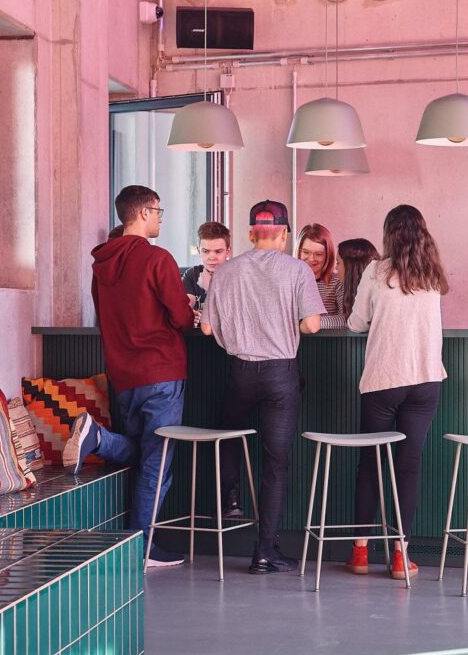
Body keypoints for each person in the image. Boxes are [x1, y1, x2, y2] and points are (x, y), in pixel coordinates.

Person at [65, 185, 193, 569]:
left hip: (124, 374)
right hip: (161, 371)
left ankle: (98, 438)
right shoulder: (158, 258)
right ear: (142, 213)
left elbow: (104, 315)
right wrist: (188, 309)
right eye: (158, 212)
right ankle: (142, 548)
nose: (160, 218)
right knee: (159, 459)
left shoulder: (101, 265)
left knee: (145, 451)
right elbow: (182, 319)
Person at [202, 200, 325, 574]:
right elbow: (313, 326)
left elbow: (207, 328)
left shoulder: (226, 271)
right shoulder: (297, 269)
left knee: (228, 438)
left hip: (240, 371)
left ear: (251, 233)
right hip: (279, 375)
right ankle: (264, 551)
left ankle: (231, 499)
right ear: (285, 234)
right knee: (275, 463)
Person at [345, 205, 449, 580]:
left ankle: (359, 553)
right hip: (425, 381)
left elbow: (357, 324)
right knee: (407, 467)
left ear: (388, 233)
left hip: (384, 379)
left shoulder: (375, 271)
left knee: (371, 464)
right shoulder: (432, 275)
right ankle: (402, 557)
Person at [320, 238, 379, 329]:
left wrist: (316, 323)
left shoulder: (373, 291)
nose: (336, 268)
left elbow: (351, 321)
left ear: (350, 266)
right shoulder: (351, 289)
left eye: (338, 263)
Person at [181, 221, 233, 308]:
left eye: (218, 251)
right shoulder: (192, 275)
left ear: (227, 252)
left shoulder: (238, 275)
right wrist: (189, 314)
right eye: (205, 251)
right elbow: (186, 305)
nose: (211, 257)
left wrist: (209, 289)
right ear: (199, 251)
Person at [297, 223, 342, 317]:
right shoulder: (288, 281)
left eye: (318, 254)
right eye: (305, 252)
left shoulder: (337, 282)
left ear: (328, 255)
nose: (311, 259)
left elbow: (345, 319)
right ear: (298, 251)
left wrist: (311, 324)